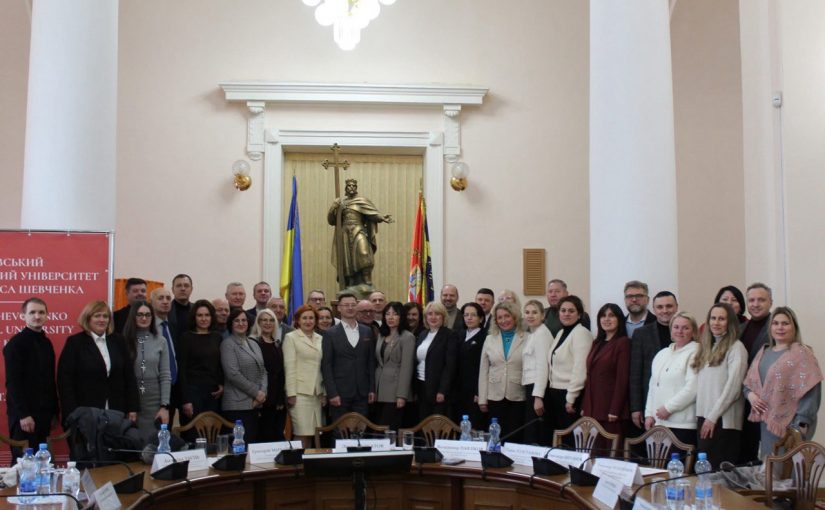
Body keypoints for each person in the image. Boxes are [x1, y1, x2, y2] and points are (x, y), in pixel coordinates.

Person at [744, 307, 822, 456]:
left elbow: (812, 393)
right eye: (775, 323)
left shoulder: (802, 354)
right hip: (766, 424)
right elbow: (748, 385)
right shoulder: (764, 352)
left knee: (789, 468)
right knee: (770, 466)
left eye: (785, 323)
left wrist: (800, 426)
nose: (780, 327)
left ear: (794, 327)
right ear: (770, 327)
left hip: (792, 427)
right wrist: (751, 396)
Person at [58, 301, 139, 426]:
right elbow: (65, 381)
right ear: (88, 318)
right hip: (86, 412)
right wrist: (72, 413)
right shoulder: (75, 343)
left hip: (116, 409)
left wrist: (132, 407)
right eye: (97, 316)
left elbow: (129, 376)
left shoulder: (118, 341)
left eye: (105, 316)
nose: (102, 320)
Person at [692, 303, 747, 468]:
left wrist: (713, 417)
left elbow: (733, 389)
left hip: (723, 421)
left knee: (718, 473)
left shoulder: (736, 348)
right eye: (713, 318)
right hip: (705, 418)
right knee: (705, 472)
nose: (716, 323)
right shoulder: (707, 347)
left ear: (730, 323)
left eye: (721, 319)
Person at [3, 298, 59, 458]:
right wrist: (23, 415)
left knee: (43, 463)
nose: (37, 316)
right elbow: (13, 383)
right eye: (32, 312)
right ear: (23, 316)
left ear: (47, 315)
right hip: (24, 417)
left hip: (44, 415)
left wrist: (54, 412)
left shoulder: (47, 343)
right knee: (22, 464)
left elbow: (49, 380)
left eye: (41, 312)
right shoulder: (15, 344)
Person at [644, 312, 699, 453]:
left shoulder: (696, 352)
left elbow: (693, 388)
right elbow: (653, 385)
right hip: (659, 423)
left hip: (682, 424)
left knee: (677, 465)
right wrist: (649, 413)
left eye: (685, 328)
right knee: (658, 465)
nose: (680, 331)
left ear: (693, 331)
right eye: (676, 327)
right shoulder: (662, 354)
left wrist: (669, 408)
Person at [326, 178, 394, 288]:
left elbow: (372, 214)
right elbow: (331, 221)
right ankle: (350, 285)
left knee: (364, 252)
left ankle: (367, 282)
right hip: (345, 233)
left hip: (358, 230)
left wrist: (382, 218)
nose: (351, 187)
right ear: (345, 188)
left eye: (354, 186)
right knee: (347, 260)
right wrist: (333, 207)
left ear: (356, 188)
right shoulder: (341, 204)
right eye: (349, 186)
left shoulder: (361, 201)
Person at [629, 291, 679, 435]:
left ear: (676, 307)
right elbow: (635, 374)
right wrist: (636, 408)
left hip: (679, 404)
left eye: (669, 306)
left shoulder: (686, 332)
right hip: (650, 404)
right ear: (654, 309)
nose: (665, 310)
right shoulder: (641, 334)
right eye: (660, 307)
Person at [544, 295, 593, 440]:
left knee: (570, 440)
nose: (566, 314)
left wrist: (571, 397)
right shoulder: (561, 333)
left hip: (570, 394)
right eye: (563, 310)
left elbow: (580, 368)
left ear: (579, 314)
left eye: (571, 311)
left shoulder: (581, 333)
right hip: (555, 391)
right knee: (559, 437)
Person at [581, 303, 631, 443]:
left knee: (610, 451)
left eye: (611, 316)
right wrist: (585, 406)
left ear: (619, 319)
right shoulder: (597, 343)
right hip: (593, 408)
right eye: (603, 316)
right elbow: (590, 377)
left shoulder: (623, 343)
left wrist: (615, 409)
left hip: (610, 411)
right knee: (593, 450)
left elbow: (622, 379)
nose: (606, 319)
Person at [123, 301, 171, 444]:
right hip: (129, 401)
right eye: (140, 315)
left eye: (148, 315)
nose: (144, 318)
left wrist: (164, 406)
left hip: (154, 402)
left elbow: (165, 375)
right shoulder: (123, 340)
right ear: (133, 316)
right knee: (131, 444)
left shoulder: (161, 341)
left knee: (152, 445)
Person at [322, 293, 376, 421]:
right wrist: (332, 393)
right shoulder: (330, 333)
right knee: (341, 429)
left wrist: (372, 389)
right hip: (340, 393)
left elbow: (371, 362)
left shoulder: (367, 331)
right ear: (339, 308)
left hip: (363, 392)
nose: (350, 308)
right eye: (346, 305)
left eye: (353, 304)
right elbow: (326, 366)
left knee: (361, 429)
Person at [478, 301, 526, 441]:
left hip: (518, 395)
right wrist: (482, 398)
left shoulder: (527, 338)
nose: (503, 320)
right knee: (496, 437)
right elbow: (483, 370)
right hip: (495, 396)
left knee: (515, 437)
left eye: (507, 316)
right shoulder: (489, 339)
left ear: (515, 317)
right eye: (500, 317)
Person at [738, 282, 773, 462]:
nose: (756, 304)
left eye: (761, 300)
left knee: (764, 457)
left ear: (770, 302)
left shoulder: (777, 327)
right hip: (742, 399)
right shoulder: (740, 329)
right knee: (744, 454)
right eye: (751, 300)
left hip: (765, 401)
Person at [221, 307, 267, 442]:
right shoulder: (228, 344)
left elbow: (263, 370)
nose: (241, 323)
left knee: (253, 445)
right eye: (237, 321)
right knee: (241, 447)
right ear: (231, 324)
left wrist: (262, 393)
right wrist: (256, 393)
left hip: (256, 403)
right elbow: (233, 374)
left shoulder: (253, 343)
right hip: (237, 405)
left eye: (244, 320)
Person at [283, 305, 326, 448]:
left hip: (317, 393)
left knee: (313, 433)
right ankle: (297, 460)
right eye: (304, 318)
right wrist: (291, 393)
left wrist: (324, 392)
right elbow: (289, 367)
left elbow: (323, 367)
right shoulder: (291, 337)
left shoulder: (320, 338)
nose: (308, 321)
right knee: (301, 432)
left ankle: (310, 460)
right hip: (299, 393)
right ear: (298, 320)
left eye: (311, 318)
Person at [178, 300, 224, 427]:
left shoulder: (217, 337)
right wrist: (186, 400)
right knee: (194, 432)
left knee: (211, 432)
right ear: (194, 317)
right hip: (193, 392)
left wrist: (221, 383)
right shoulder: (186, 338)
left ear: (212, 317)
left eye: (207, 315)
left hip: (213, 393)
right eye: (200, 315)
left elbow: (219, 364)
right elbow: (181, 370)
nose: (204, 319)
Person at [374, 302, 415, 430]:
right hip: (380, 388)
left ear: (401, 317)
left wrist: (401, 395)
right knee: (379, 427)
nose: (390, 317)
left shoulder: (407, 337)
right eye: (387, 314)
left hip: (395, 390)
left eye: (395, 314)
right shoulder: (381, 335)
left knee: (389, 428)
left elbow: (406, 368)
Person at [415, 302, 457, 419]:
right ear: (425, 317)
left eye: (437, 314)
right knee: (423, 420)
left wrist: (442, 390)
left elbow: (450, 366)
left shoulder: (450, 335)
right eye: (430, 314)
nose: (433, 317)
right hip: (421, 384)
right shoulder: (423, 334)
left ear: (443, 316)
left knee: (437, 422)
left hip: (437, 387)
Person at [250, 309, 286, 441]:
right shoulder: (252, 342)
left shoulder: (277, 343)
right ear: (258, 322)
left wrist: (281, 397)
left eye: (271, 320)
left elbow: (281, 372)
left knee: (277, 434)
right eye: (264, 320)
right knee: (264, 434)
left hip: (277, 396)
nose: (268, 323)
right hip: (261, 395)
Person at [521, 300, 552, 445]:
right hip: (531, 386)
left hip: (537, 388)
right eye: (527, 312)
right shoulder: (532, 334)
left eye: (534, 312)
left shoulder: (542, 334)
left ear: (542, 315)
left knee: (536, 432)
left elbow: (542, 366)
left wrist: (538, 396)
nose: (530, 316)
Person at [453, 302, 487, 428]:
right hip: (458, 389)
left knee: (474, 425)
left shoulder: (485, 337)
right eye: (466, 315)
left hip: (474, 390)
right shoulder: (459, 334)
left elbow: (484, 367)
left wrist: (479, 392)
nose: (469, 318)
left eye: (473, 315)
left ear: (481, 318)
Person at [169, 273, 193, 339]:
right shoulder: (165, 310)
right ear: (172, 290)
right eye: (179, 286)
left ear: (191, 289)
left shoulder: (197, 310)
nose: (183, 289)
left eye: (186, 286)